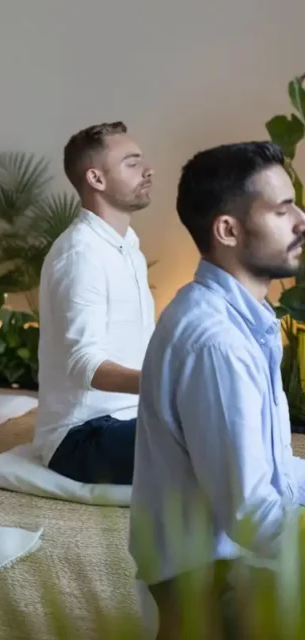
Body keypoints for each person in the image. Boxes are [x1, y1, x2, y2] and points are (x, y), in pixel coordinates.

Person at [129, 141, 305, 638]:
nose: (301, 220)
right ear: (227, 229)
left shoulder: (239, 318)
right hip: (207, 584)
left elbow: (273, 472)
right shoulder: (217, 343)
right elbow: (251, 515)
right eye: (282, 209)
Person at [33, 121, 156, 485]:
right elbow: (83, 365)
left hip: (134, 415)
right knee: (213, 443)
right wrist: (164, 382)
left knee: (234, 423)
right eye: (131, 164)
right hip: (79, 436)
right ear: (96, 179)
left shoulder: (127, 246)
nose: (148, 170)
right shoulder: (79, 254)